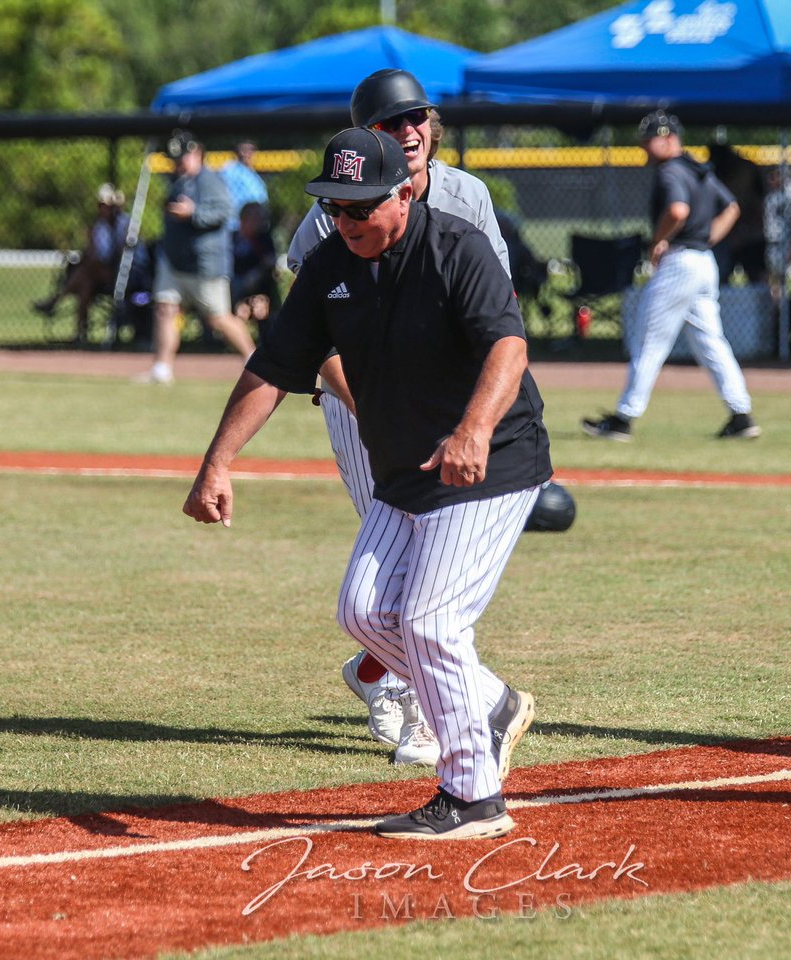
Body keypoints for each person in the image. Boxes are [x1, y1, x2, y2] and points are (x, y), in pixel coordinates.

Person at [183, 129, 551, 840]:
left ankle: (473, 796)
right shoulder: (331, 265)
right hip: (405, 469)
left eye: (361, 206)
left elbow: (508, 346)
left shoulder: (457, 249)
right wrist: (217, 462)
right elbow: (273, 367)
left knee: (431, 622)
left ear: (404, 193)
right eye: (335, 206)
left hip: (490, 461)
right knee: (364, 613)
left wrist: (474, 430)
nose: (346, 220)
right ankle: (491, 701)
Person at [285, 69, 519, 768]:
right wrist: (372, 405)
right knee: (402, 562)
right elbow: (313, 339)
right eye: (389, 122)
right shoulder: (333, 208)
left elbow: (496, 312)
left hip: (441, 403)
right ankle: (418, 705)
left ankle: (379, 670)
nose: (407, 130)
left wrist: (477, 415)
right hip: (360, 404)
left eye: (416, 116)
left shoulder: (467, 196)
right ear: (365, 136)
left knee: (427, 565)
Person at [581, 111, 760, 442]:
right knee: (711, 342)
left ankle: (623, 419)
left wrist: (658, 240)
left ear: (667, 139)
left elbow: (678, 210)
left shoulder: (670, 171)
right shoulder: (696, 168)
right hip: (703, 262)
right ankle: (741, 415)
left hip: (679, 263)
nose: (644, 147)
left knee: (648, 339)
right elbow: (731, 207)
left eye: (649, 140)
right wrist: (707, 239)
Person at [137, 130, 255, 384]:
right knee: (165, 309)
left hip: (205, 266)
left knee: (218, 318)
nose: (178, 162)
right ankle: (162, 368)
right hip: (175, 263)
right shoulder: (178, 181)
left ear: (197, 153)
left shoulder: (210, 180)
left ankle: (256, 361)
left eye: (183, 157)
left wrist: (193, 213)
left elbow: (224, 213)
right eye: (175, 158)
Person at [34, 183, 129, 344]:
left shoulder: (124, 223)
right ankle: (80, 333)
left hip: (119, 273)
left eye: (106, 206)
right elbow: (93, 251)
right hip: (95, 273)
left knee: (85, 272)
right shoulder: (98, 227)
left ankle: (55, 300)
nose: (102, 209)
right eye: (100, 205)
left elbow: (121, 252)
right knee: (85, 285)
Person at [707, 140, 767, 284]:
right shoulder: (713, 175)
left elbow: (757, 206)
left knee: (757, 276)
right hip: (725, 236)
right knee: (719, 276)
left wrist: (742, 232)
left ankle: (764, 298)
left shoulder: (746, 170)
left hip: (750, 235)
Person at [230, 201, 277, 325]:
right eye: (255, 218)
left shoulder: (263, 239)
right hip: (232, 280)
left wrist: (255, 274)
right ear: (243, 219)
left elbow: (270, 261)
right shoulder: (232, 238)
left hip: (256, 284)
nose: (260, 222)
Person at [218, 140, 269, 233]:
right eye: (243, 150)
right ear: (237, 152)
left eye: (251, 150)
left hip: (255, 224)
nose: (247, 154)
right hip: (235, 226)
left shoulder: (253, 175)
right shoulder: (229, 171)